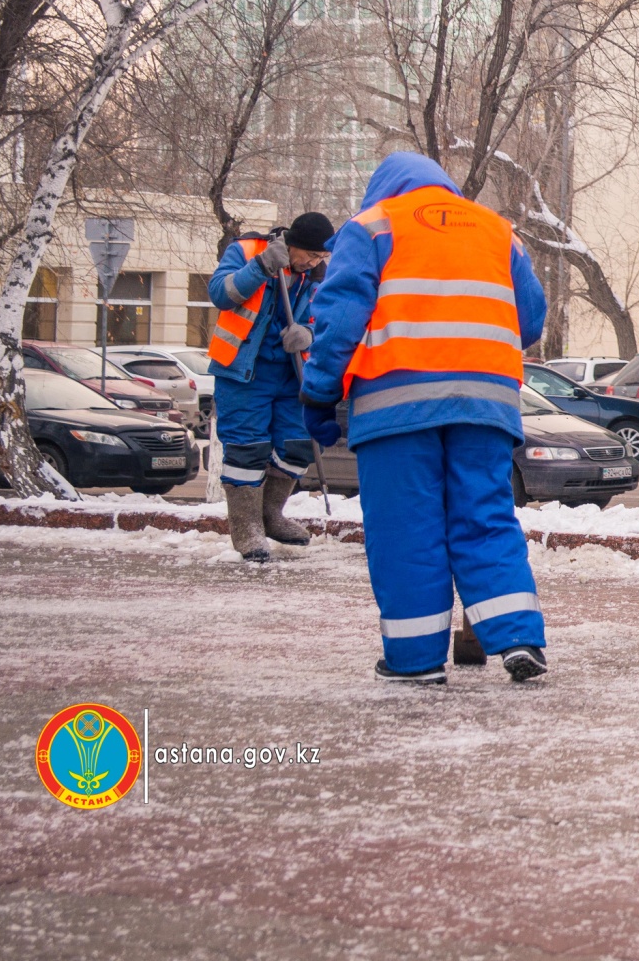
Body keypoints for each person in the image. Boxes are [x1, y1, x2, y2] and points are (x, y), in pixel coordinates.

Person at [299, 153, 551, 685]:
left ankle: (414, 660)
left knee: (406, 527)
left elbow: (339, 320)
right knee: (485, 516)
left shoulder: (371, 227)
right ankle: (517, 636)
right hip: (485, 401)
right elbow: (529, 319)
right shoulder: (497, 231)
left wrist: (319, 394)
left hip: (397, 404)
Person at [207, 212, 332, 562]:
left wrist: (309, 333)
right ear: (292, 244)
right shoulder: (247, 250)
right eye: (309, 255)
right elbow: (220, 294)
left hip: (293, 373)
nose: (313, 263)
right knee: (247, 449)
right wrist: (261, 266)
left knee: (298, 445)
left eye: (321, 257)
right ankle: (247, 528)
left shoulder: (321, 273)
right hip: (244, 371)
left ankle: (270, 514)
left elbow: (331, 318)